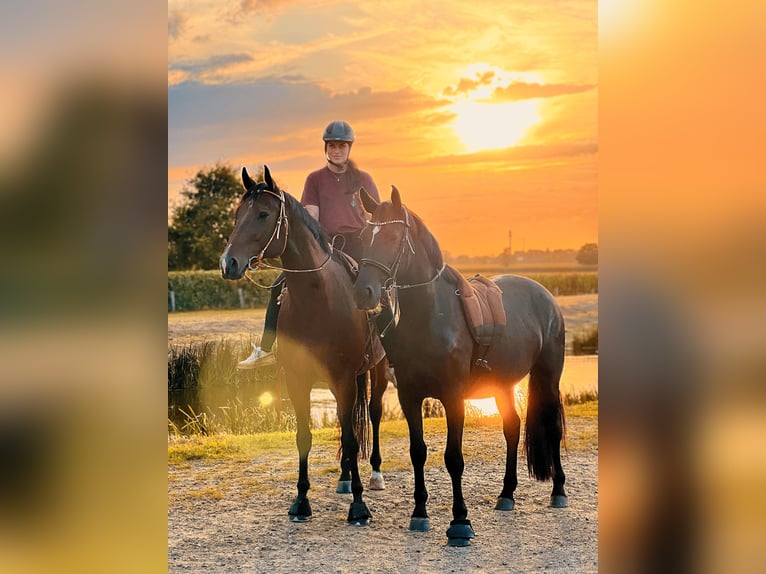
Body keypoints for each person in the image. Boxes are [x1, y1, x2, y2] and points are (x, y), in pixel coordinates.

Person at [238, 120, 382, 369]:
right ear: (325, 148)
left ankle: (390, 349)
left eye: (341, 146)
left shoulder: (363, 179)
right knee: (278, 287)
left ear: (349, 148)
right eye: (332, 145)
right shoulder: (314, 179)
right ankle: (265, 349)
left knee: (380, 291)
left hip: (358, 245)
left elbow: (374, 218)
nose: (336, 150)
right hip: (327, 248)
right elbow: (311, 217)